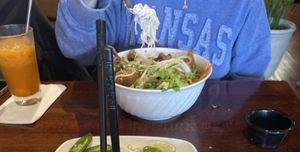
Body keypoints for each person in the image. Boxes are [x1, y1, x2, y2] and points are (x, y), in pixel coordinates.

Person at [55, 0, 271, 80]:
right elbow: (79, 50)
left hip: (208, 125)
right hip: (122, 116)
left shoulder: (245, 4)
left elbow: (248, 78)